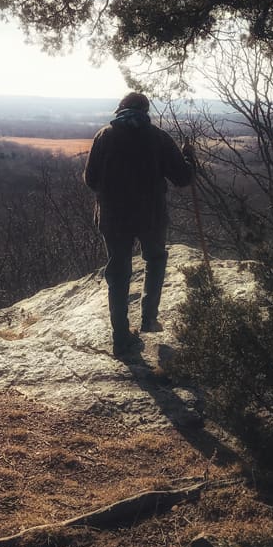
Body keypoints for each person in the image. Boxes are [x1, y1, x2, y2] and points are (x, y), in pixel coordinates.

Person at [83, 92, 194, 356]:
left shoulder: (104, 136)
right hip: (151, 215)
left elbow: (90, 179)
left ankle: (121, 338)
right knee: (155, 258)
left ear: (120, 110)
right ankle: (149, 318)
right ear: (145, 111)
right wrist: (188, 158)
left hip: (114, 216)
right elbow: (182, 178)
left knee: (118, 274)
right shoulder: (158, 138)